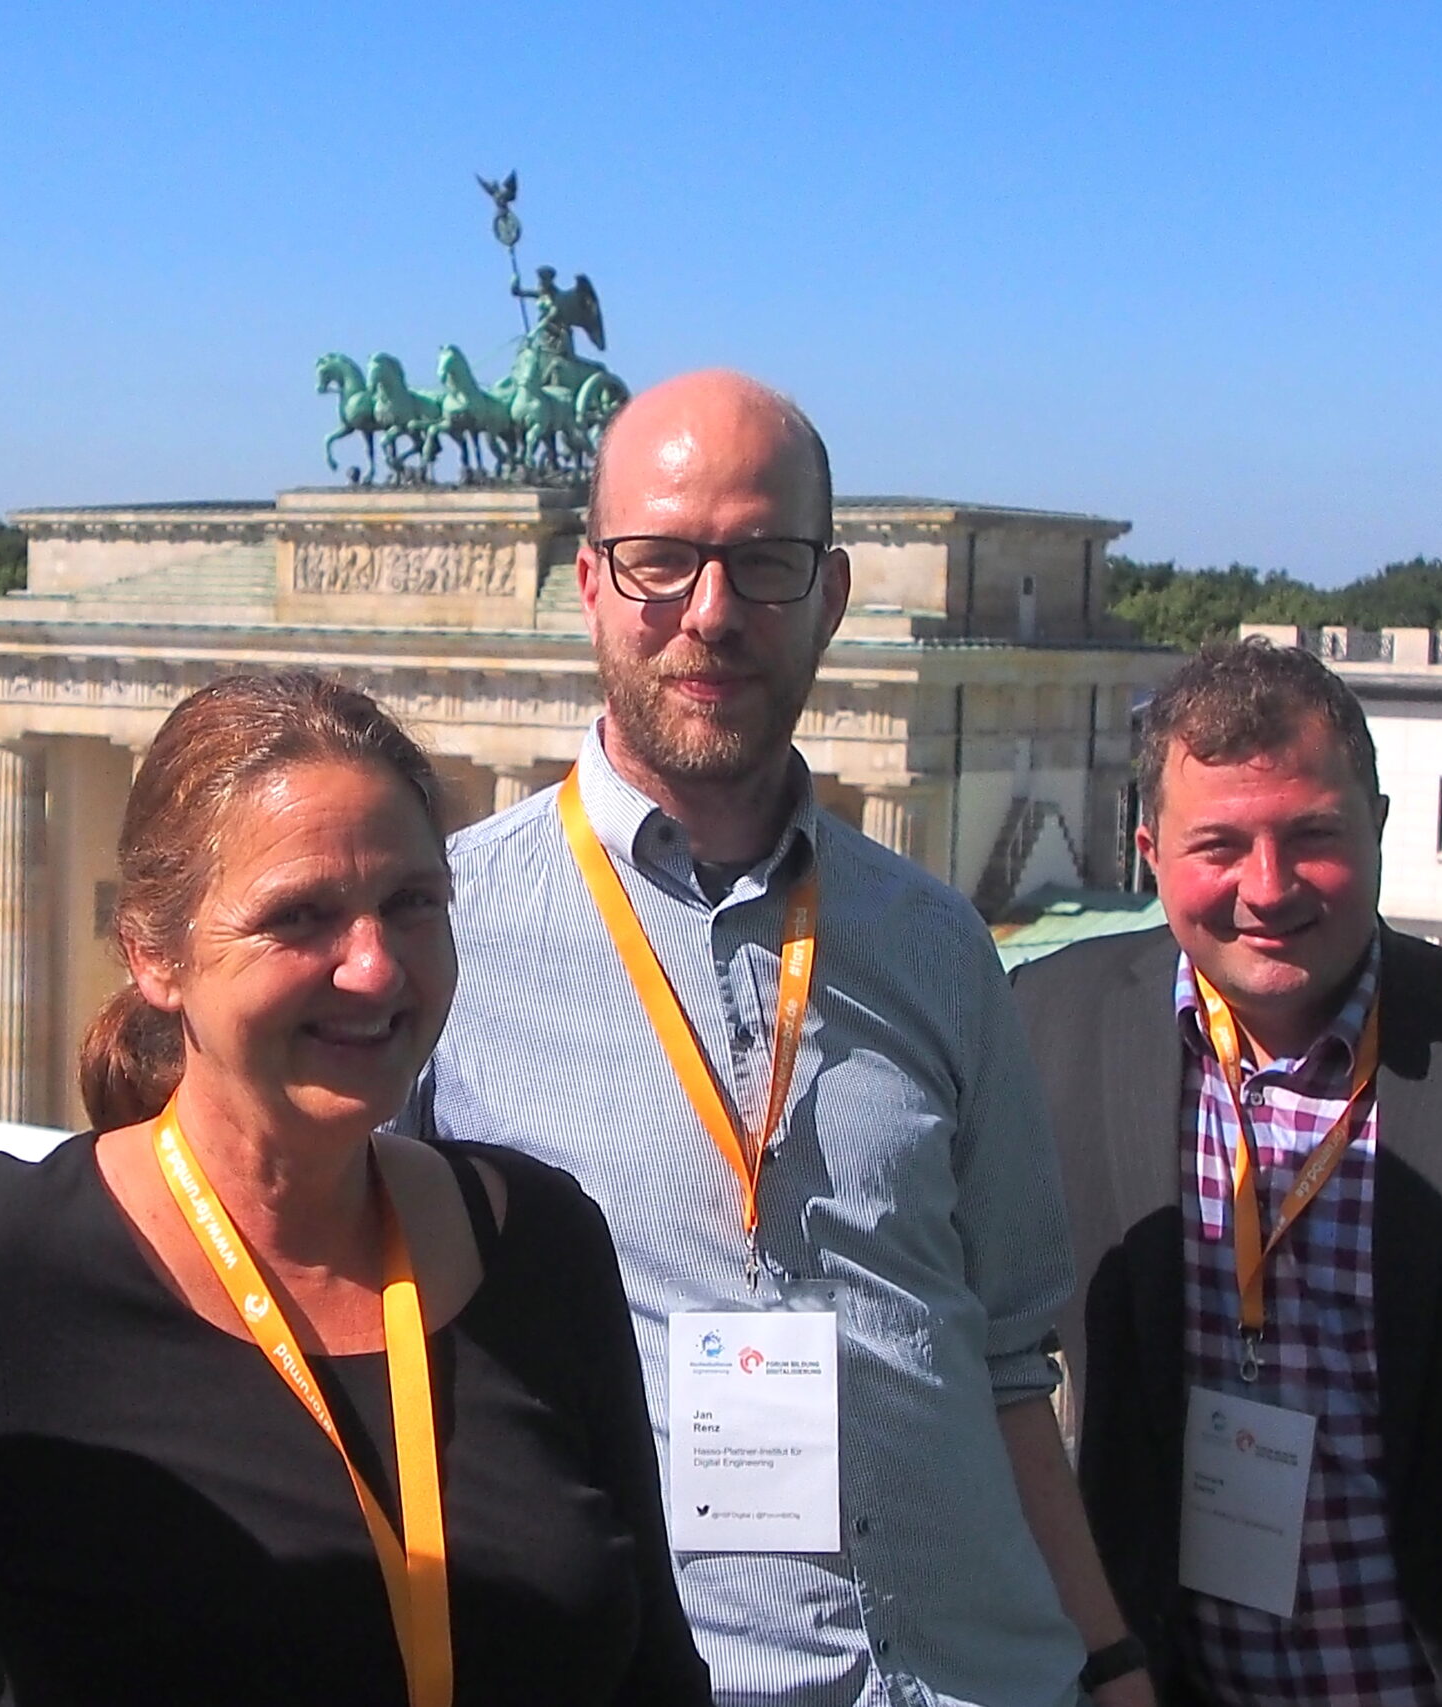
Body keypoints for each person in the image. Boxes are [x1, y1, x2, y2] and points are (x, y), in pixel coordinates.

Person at [396, 369, 1150, 1707]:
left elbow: (1003, 1361)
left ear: (830, 596)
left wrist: (1111, 1659)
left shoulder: (935, 942)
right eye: (662, 558)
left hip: (980, 1676)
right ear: (590, 584)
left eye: (764, 561)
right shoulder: (444, 939)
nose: (711, 610)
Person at [0, 671, 708, 1707]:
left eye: (410, 903)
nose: (374, 968)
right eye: (300, 916)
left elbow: (653, 1676)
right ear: (154, 954)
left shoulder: (537, 1238)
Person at [1010, 637, 1442, 1705]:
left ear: (1378, 826)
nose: (1267, 888)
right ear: (1148, 850)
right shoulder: (1044, 1026)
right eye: (1219, 845)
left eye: (1311, 836)